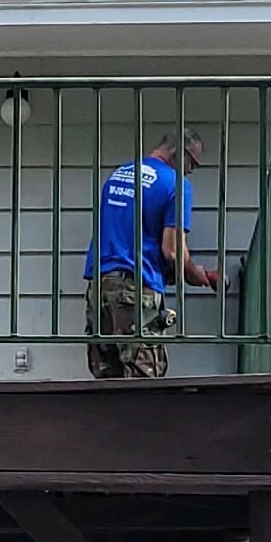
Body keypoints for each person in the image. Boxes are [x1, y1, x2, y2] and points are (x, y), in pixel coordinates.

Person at [83, 130, 221, 379]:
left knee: (106, 381)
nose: (190, 171)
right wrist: (194, 273)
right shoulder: (176, 184)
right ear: (178, 153)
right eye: (192, 163)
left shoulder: (118, 175)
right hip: (135, 290)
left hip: (100, 288)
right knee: (144, 381)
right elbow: (173, 251)